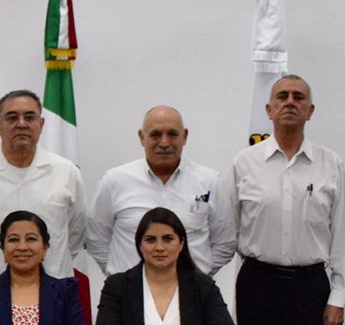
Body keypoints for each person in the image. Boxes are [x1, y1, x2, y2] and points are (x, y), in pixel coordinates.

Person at [227, 75, 345, 325]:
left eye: (298, 97)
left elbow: (342, 238)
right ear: (269, 110)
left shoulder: (331, 164)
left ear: (310, 111)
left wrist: (338, 298)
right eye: (282, 96)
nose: (290, 102)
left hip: (310, 287)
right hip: (257, 284)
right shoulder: (245, 163)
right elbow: (228, 232)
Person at [86, 105, 236, 277]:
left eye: (172, 134)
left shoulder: (210, 182)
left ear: (184, 136)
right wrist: (121, 280)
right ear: (141, 137)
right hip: (129, 291)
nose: (164, 143)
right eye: (155, 134)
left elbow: (225, 243)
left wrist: (198, 279)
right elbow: (95, 239)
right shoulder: (114, 181)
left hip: (191, 291)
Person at [0, 89, 86, 282]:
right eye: (12, 118)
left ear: (41, 124)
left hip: (54, 289)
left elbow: (76, 234)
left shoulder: (67, 172)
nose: (21, 124)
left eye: (29, 117)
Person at [91, 207, 242, 325]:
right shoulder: (117, 285)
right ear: (139, 245)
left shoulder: (202, 285)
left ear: (181, 243)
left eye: (168, 239)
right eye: (150, 240)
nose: (159, 247)